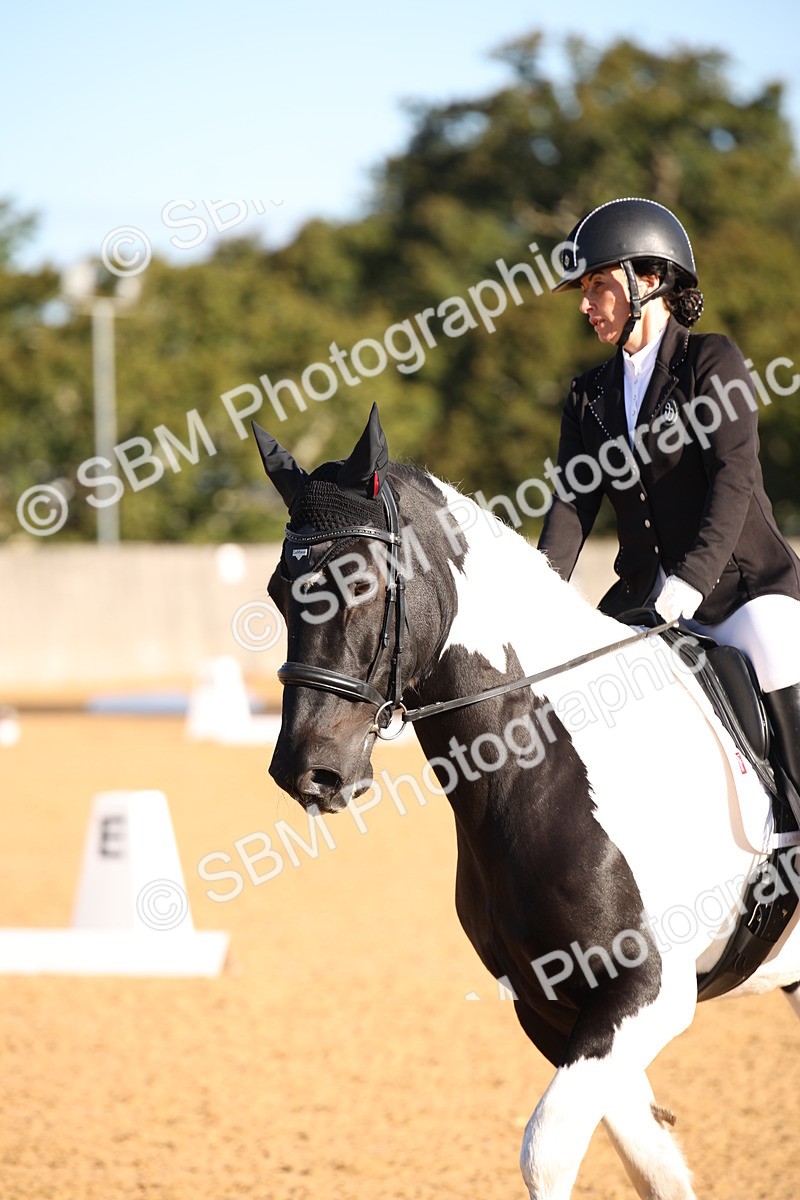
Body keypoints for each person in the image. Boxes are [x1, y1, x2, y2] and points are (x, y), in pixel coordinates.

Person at [537, 196, 800, 793]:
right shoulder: (588, 395)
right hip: (643, 596)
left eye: (598, 285)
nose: (585, 303)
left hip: (740, 591)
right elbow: (571, 509)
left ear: (648, 280)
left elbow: (735, 479)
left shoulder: (711, 360)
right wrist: (540, 599)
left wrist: (692, 580)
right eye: (584, 288)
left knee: (782, 659)